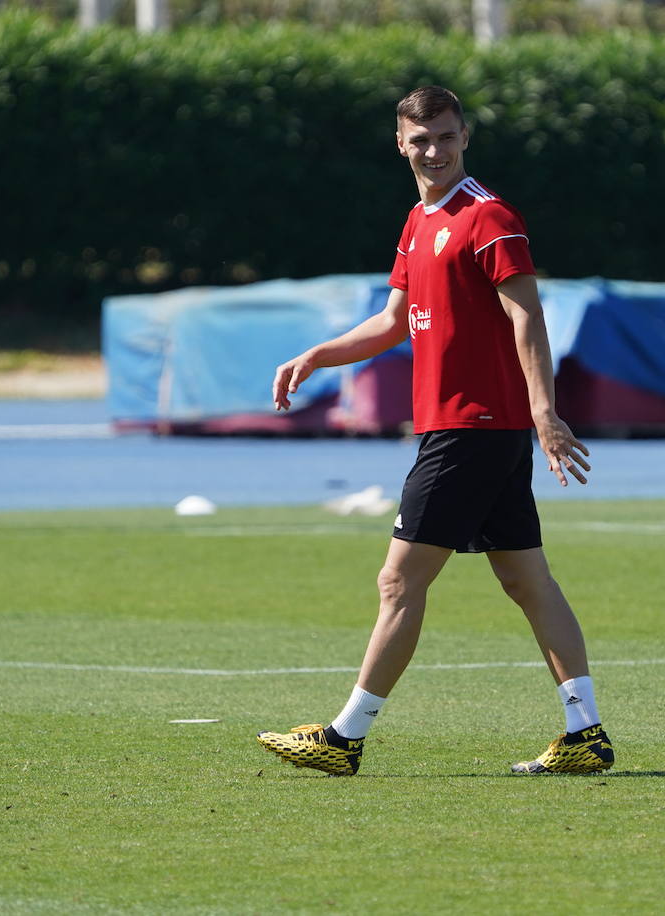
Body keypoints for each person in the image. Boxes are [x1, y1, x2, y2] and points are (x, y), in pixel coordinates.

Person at [257, 86, 613, 777]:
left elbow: (527, 317)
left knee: (398, 581)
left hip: (472, 428)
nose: (434, 150)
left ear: (465, 136)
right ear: (400, 144)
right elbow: (393, 322)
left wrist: (545, 410)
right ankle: (586, 732)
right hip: (475, 429)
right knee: (526, 579)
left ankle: (345, 736)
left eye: (445, 137)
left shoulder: (488, 216)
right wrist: (317, 356)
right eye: (420, 140)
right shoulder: (419, 221)